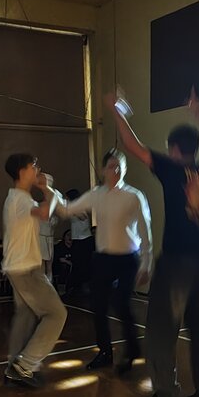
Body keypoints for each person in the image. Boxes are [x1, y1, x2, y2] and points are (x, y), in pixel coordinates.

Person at [105, 87, 199, 397]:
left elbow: (132, 146)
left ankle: (164, 393)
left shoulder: (171, 169)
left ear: (173, 149)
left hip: (175, 263)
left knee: (160, 328)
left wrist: (115, 111)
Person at [49, 150, 152, 374]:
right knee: (98, 306)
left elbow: (146, 230)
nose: (116, 170)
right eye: (112, 166)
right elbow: (67, 210)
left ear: (125, 169)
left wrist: (146, 263)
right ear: (104, 170)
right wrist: (49, 191)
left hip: (128, 259)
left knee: (121, 302)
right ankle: (105, 352)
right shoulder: (96, 194)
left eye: (120, 166)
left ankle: (132, 349)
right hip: (104, 258)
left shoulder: (134, 196)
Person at [2, 153, 66, 388]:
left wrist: (47, 191)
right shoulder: (20, 199)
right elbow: (46, 212)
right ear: (22, 172)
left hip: (17, 267)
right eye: (33, 166)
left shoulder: (18, 198)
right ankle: (24, 365)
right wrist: (48, 189)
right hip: (26, 269)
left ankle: (14, 366)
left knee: (26, 315)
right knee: (57, 314)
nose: (37, 169)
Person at [65, 189, 94, 292]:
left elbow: (83, 217)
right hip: (77, 239)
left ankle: (84, 287)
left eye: (67, 198)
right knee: (76, 264)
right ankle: (76, 287)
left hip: (84, 240)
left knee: (83, 264)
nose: (66, 200)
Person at [38, 174, 58, 282]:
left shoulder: (53, 202)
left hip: (49, 237)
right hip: (41, 237)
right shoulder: (39, 205)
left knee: (49, 266)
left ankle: (49, 286)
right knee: (41, 266)